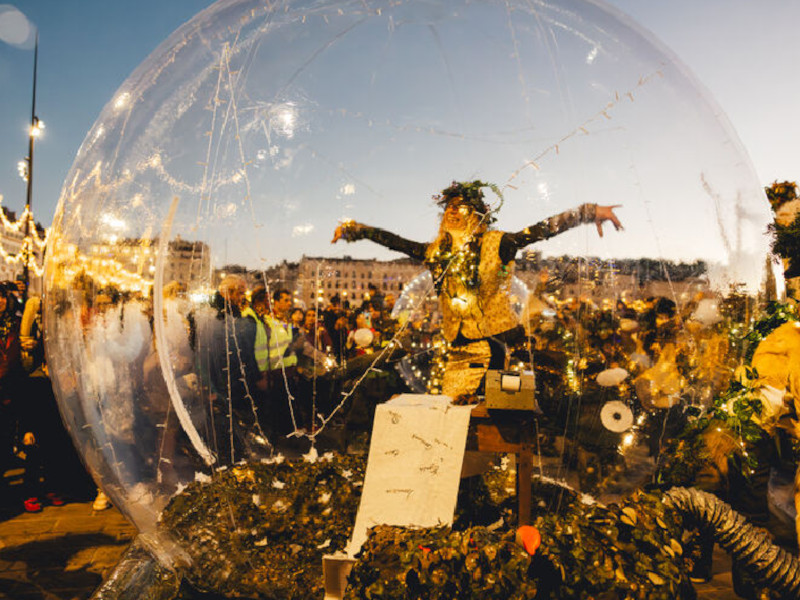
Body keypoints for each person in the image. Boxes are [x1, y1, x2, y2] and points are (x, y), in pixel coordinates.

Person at [332, 180, 622, 400]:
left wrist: (587, 212)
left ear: (477, 214)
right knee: (453, 417)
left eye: (460, 207)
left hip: (493, 346)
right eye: (449, 207)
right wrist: (355, 230)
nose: (452, 212)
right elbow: (394, 241)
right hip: (455, 346)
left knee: (480, 415)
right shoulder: (435, 253)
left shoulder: (498, 244)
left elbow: (542, 228)